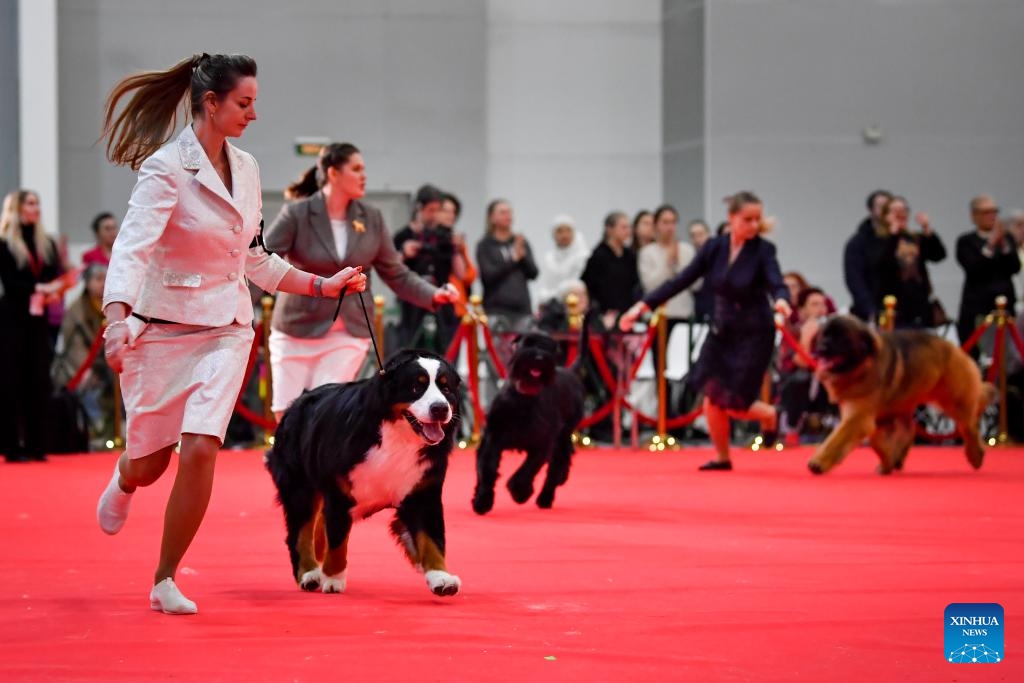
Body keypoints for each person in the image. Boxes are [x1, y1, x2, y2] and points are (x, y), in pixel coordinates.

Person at [94, 53, 370, 615]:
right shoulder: (165, 167)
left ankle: (165, 578)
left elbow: (254, 259)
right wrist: (117, 319)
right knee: (152, 465)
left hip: (226, 330)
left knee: (201, 449)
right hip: (161, 329)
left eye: (254, 103)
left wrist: (323, 286)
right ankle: (124, 477)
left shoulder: (247, 169)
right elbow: (132, 248)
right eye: (244, 103)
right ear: (211, 103)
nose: (253, 113)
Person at [264, 144, 458, 418]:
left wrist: (433, 294)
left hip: (350, 329)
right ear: (333, 173)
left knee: (326, 409)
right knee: (286, 411)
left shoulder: (372, 218)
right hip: (296, 325)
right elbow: (263, 261)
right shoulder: (297, 214)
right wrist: (242, 305)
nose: (364, 175)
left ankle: (323, 462)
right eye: (356, 169)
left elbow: (396, 272)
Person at [620, 191, 791, 471]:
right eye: (747, 219)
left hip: (754, 333)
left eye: (757, 219)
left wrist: (782, 300)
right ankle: (722, 457)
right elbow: (681, 280)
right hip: (722, 331)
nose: (753, 225)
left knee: (736, 402)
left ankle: (771, 415)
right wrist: (642, 306)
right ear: (731, 218)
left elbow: (776, 281)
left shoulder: (763, 250)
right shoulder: (715, 247)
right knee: (711, 394)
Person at [0, 190, 62, 462]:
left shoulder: (46, 243)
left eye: (37, 203)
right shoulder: (4, 243)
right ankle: (12, 446)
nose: (35, 208)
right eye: (30, 203)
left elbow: (54, 274)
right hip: (12, 319)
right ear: (17, 208)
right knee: (12, 381)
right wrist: (38, 287)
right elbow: (10, 283)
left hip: (38, 320)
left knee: (39, 379)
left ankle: (37, 445)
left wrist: (57, 288)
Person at [52, 263, 113, 440]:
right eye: (98, 279)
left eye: (106, 279)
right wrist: (88, 372)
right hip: (78, 370)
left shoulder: (111, 308)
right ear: (86, 283)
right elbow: (74, 349)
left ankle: (114, 433)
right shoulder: (75, 311)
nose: (103, 284)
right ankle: (96, 435)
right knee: (89, 389)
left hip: (106, 366)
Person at [392, 184, 454, 349]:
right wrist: (404, 253)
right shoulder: (403, 235)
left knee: (444, 343)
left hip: (440, 295)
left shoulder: (444, 235)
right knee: (410, 342)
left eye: (437, 210)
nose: (433, 216)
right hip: (412, 298)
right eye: (429, 210)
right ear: (419, 209)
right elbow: (389, 266)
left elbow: (450, 264)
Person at [956, 195, 1020, 347]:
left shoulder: (1007, 240)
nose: (992, 216)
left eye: (994, 212)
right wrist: (991, 244)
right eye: (986, 212)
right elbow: (974, 269)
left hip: (1005, 308)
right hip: (978, 309)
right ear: (974, 215)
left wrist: (1004, 244)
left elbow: (1015, 267)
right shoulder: (966, 241)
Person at [876, 196, 946, 329]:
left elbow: (939, 256)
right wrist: (893, 235)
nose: (900, 214)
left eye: (903, 210)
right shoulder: (879, 240)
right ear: (886, 216)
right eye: (895, 211)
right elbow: (883, 265)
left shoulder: (915, 238)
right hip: (893, 307)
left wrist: (927, 230)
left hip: (919, 304)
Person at [476, 199, 538, 331]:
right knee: (497, 350)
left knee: (523, 349)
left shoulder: (520, 241)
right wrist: (513, 260)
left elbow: (534, 273)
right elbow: (488, 276)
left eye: (509, 212)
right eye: (502, 212)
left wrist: (523, 258)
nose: (507, 216)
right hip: (496, 310)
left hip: (522, 309)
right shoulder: (485, 245)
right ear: (492, 217)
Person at [581, 211, 640, 331]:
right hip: (604, 314)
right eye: (623, 227)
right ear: (609, 229)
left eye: (629, 227)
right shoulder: (598, 255)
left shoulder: (630, 255)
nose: (628, 231)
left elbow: (634, 283)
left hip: (626, 313)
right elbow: (589, 285)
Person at [844, 189, 893, 322]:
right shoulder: (858, 242)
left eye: (888, 206)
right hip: (873, 312)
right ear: (871, 210)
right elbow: (855, 280)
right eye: (880, 206)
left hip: (904, 313)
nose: (884, 210)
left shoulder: (904, 239)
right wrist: (869, 310)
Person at [535, 214, 589, 306]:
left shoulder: (583, 256)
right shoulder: (549, 258)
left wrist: (554, 295)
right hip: (552, 307)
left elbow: (576, 286)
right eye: (560, 231)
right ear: (553, 234)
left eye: (568, 230)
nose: (564, 235)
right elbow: (546, 286)